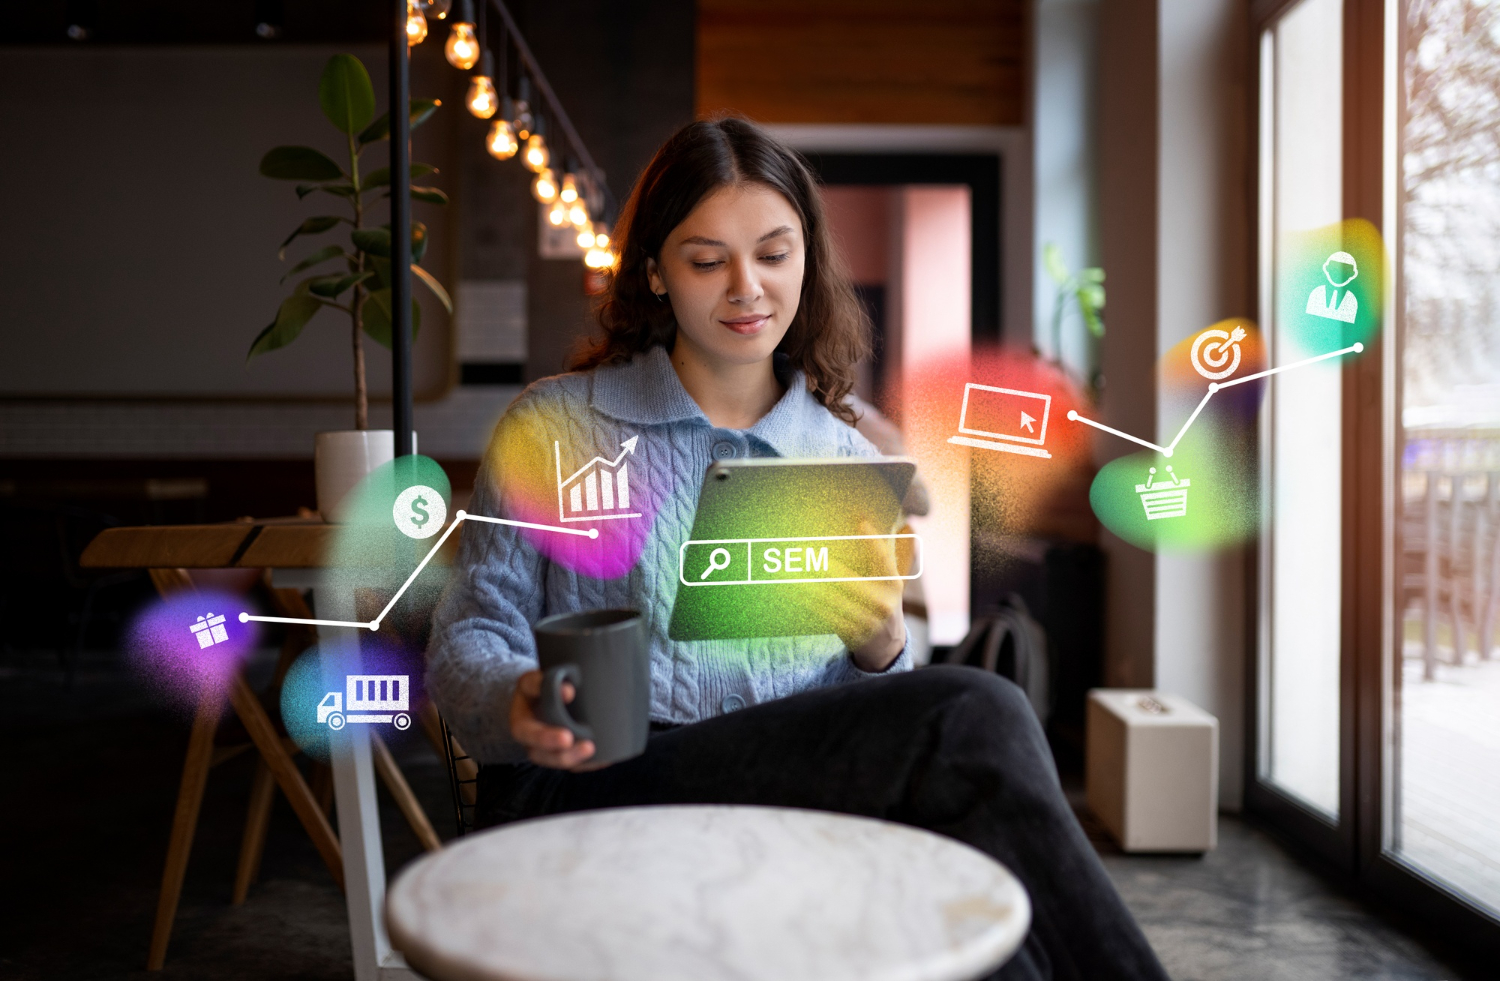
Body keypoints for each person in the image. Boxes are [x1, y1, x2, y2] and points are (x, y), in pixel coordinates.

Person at [426, 117, 1169, 981]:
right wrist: (521, 699)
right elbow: (466, 638)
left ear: (807, 260)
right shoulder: (556, 424)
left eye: (773, 254)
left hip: (776, 787)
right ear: (657, 273)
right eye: (707, 261)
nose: (747, 287)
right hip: (591, 780)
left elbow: (857, 709)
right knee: (979, 714)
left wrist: (883, 650)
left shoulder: (845, 456)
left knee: (1001, 951)